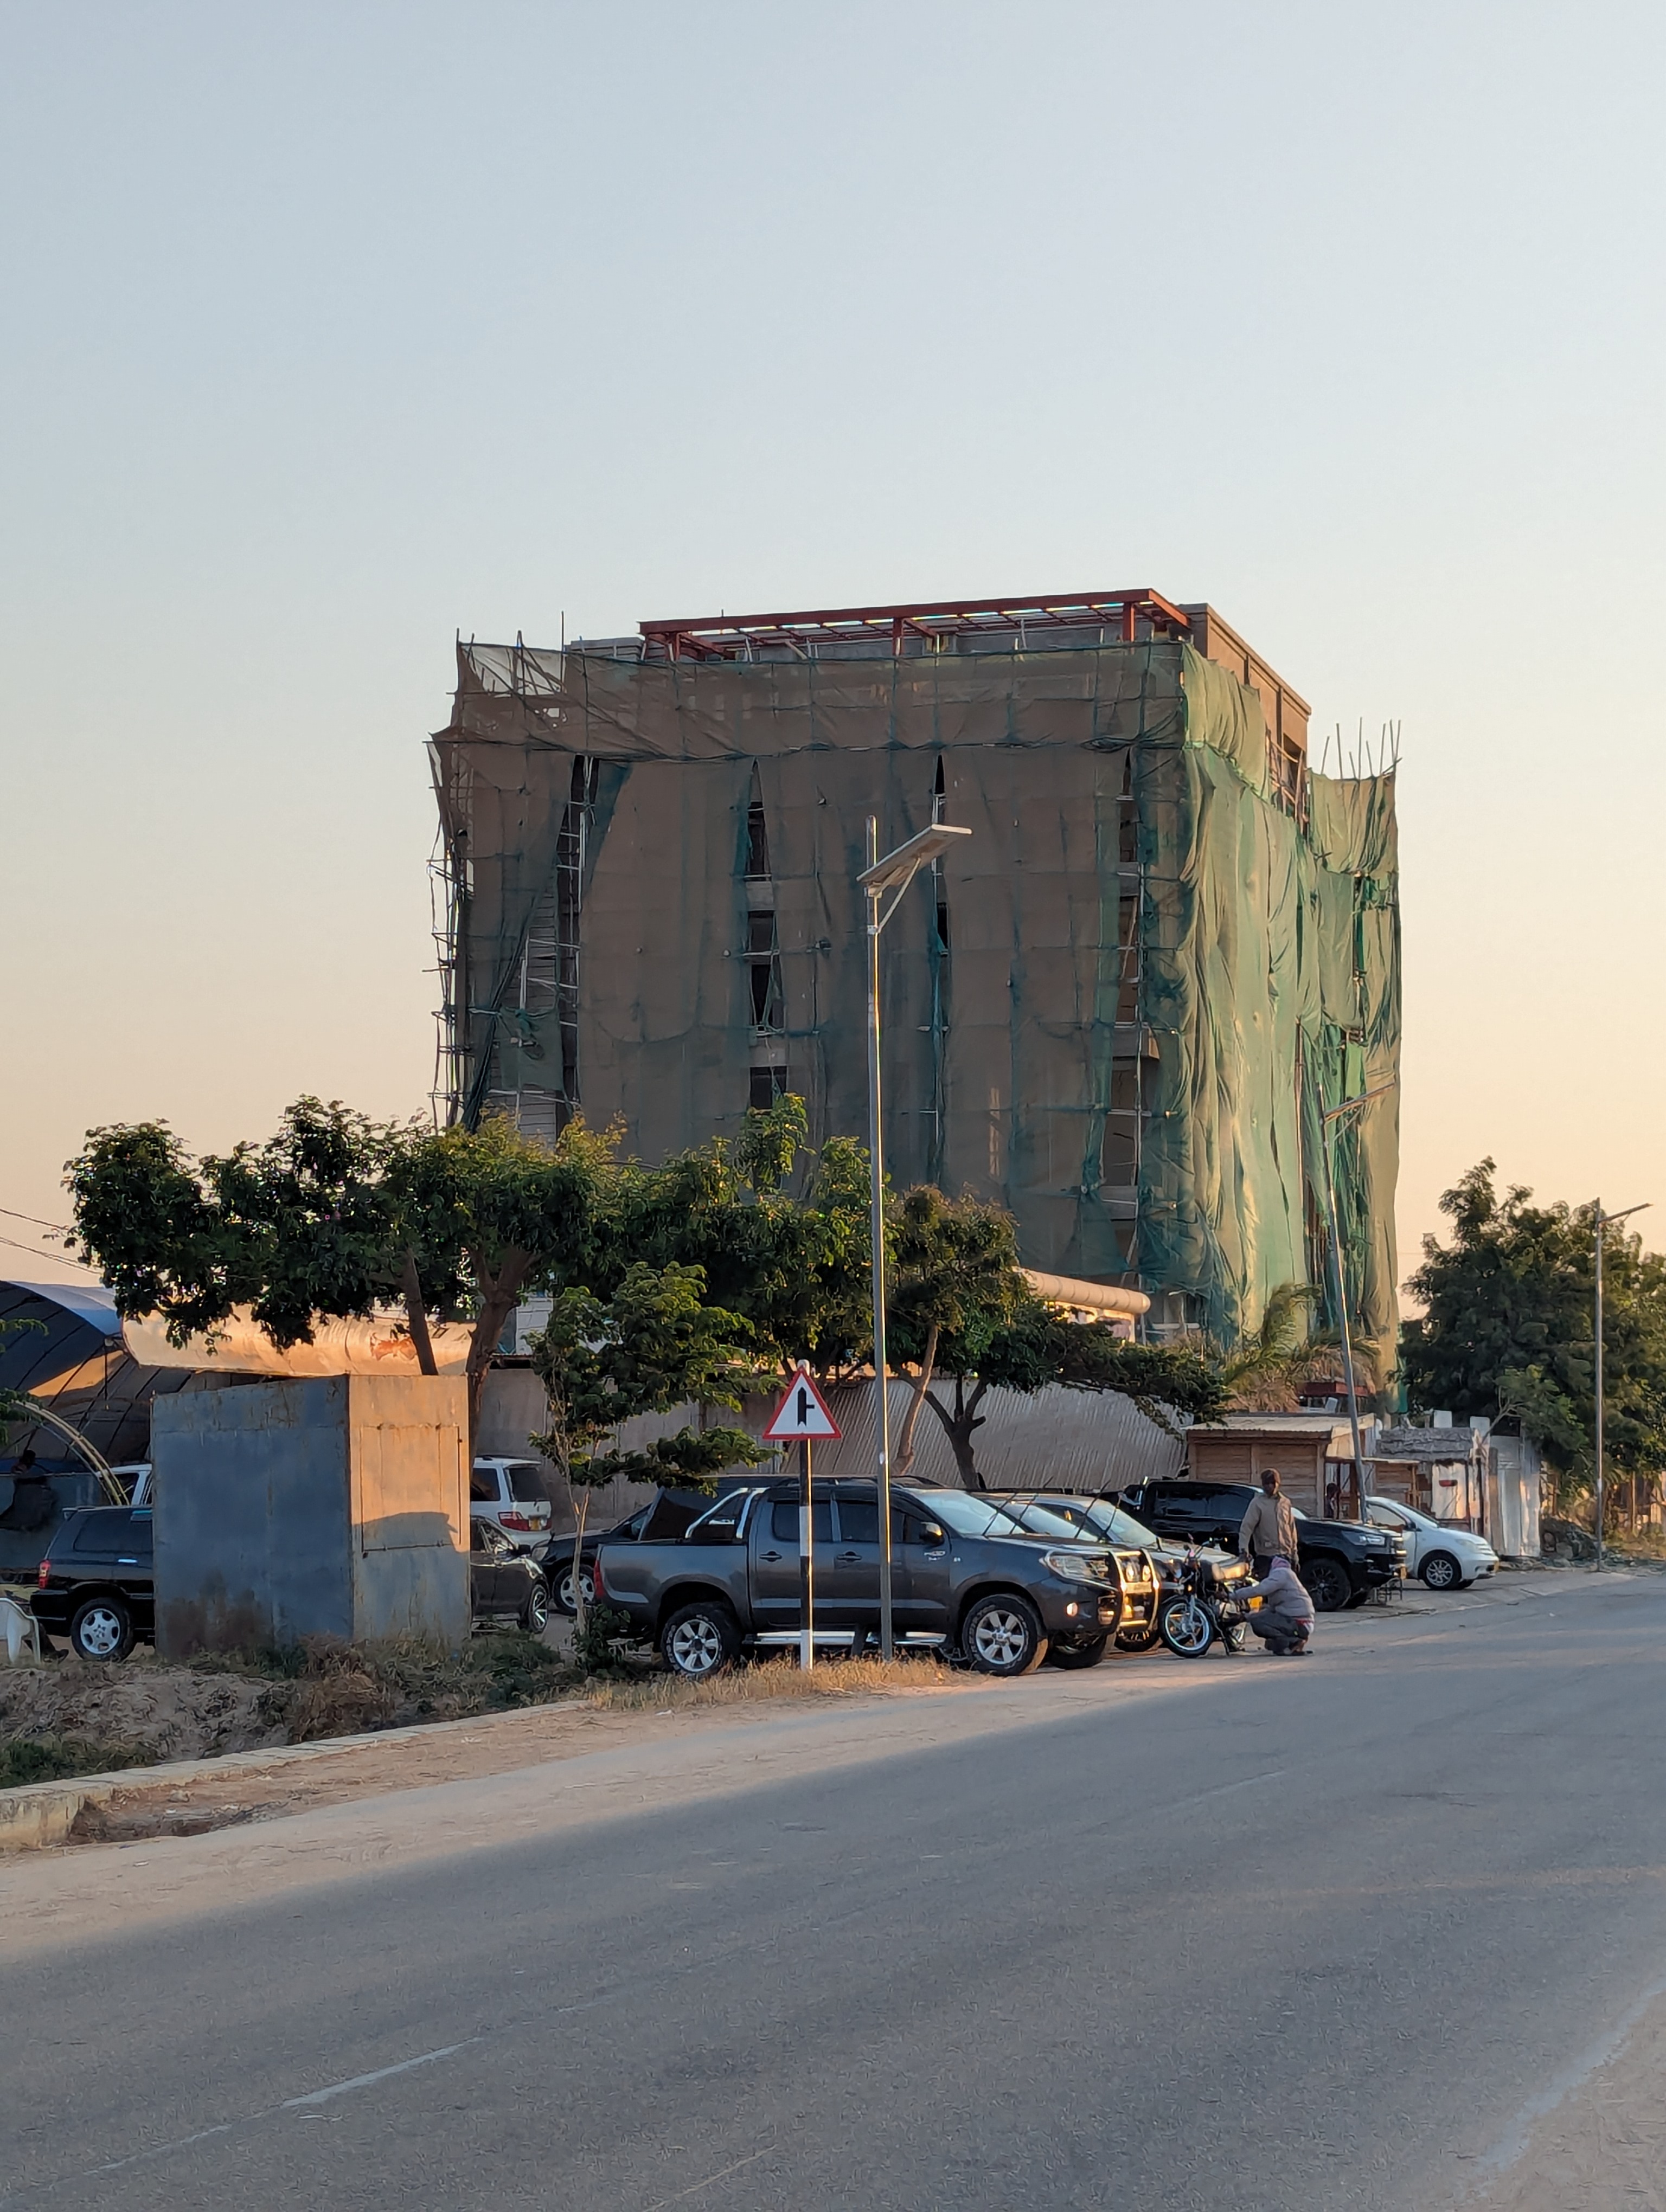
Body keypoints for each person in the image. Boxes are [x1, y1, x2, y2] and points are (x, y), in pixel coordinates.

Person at [1240, 1554, 1315, 1656]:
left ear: (1265, 1568)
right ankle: (1293, 1642)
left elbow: (1258, 1590)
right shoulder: (1283, 1573)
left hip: (1300, 1623)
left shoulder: (1280, 1574)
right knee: (1271, 1645)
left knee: (1257, 1623)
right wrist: (1246, 1617)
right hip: (1298, 1622)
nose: (1259, 1577)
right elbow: (1272, 1610)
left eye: (1259, 1573)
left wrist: (1231, 1596)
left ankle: (1294, 1641)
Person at [1239, 1469, 1298, 1578]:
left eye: (1273, 1483)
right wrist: (1243, 1550)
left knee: (1285, 1586)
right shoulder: (1258, 1503)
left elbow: (1291, 1529)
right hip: (1266, 1558)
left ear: (1278, 1483)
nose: (1271, 1486)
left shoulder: (1285, 1503)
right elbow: (1247, 1528)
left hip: (1286, 1556)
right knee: (1266, 1586)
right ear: (1263, 1485)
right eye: (1267, 1484)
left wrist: (1295, 1555)